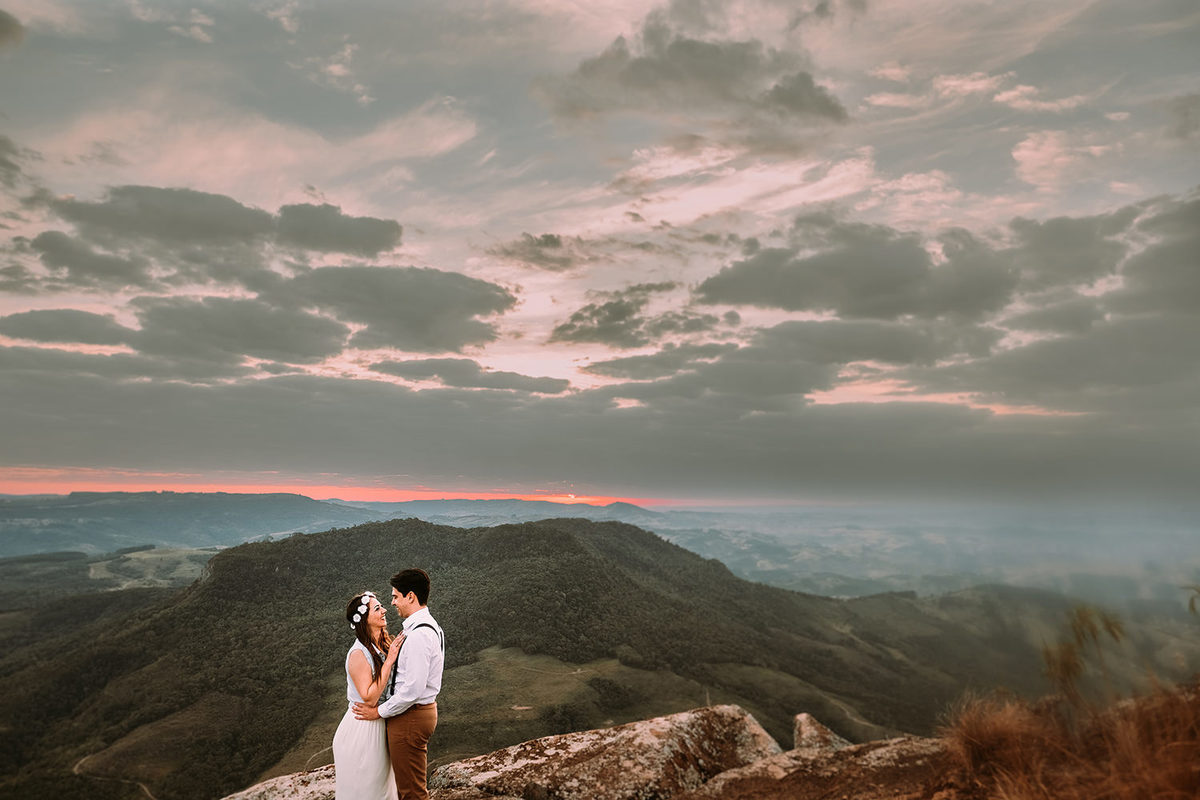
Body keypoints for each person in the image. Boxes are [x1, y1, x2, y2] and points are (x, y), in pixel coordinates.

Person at [353, 569, 444, 800]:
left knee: (411, 793)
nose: (392, 603)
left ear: (410, 596)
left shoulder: (419, 634)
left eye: (395, 596)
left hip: (410, 718)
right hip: (413, 715)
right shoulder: (423, 626)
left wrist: (378, 712)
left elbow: (412, 690)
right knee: (407, 787)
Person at [333, 590, 405, 800]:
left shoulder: (380, 643)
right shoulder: (358, 654)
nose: (384, 610)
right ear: (364, 620)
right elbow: (370, 698)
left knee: (384, 789)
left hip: (377, 723)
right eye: (377, 608)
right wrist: (389, 661)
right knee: (370, 791)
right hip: (362, 730)